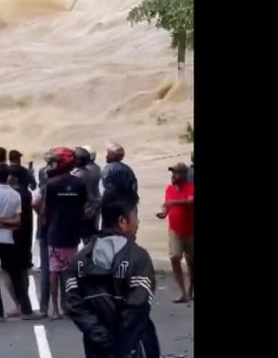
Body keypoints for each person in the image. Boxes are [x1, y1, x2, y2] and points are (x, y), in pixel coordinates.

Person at [66, 191, 160, 358]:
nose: (138, 223)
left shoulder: (80, 259)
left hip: (96, 349)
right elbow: (137, 308)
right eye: (135, 216)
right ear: (123, 221)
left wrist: (103, 339)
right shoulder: (138, 257)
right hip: (134, 348)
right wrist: (120, 347)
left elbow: (74, 304)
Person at [0, 163, 40, 322]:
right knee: (16, 276)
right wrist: (8, 223)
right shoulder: (15, 195)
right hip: (8, 239)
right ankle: (26, 309)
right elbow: (16, 221)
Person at [43, 146, 87, 320]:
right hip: (73, 233)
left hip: (55, 232)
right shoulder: (79, 183)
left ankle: (55, 309)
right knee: (70, 272)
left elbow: (46, 209)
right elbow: (84, 206)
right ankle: (69, 306)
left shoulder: (51, 184)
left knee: (54, 271)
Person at [157, 162, 194, 303]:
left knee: (191, 261)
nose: (173, 176)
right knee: (175, 257)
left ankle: (190, 289)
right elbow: (166, 205)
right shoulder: (169, 189)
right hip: (175, 230)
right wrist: (164, 213)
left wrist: (173, 203)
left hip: (190, 231)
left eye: (176, 173)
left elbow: (190, 202)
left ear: (184, 175)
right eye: (172, 173)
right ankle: (182, 292)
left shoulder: (190, 188)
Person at [1, 165, 34, 317]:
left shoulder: (15, 195)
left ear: (14, 178)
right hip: (25, 235)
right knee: (23, 269)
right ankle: (22, 304)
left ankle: (19, 304)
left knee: (9, 271)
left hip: (14, 235)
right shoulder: (26, 193)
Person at [32, 149, 56, 317]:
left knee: (47, 268)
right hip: (61, 229)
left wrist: (41, 215)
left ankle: (44, 307)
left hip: (45, 229)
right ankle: (64, 306)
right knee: (63, 269)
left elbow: (35, 204)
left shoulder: (44, 190)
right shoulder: (62, 184)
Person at [72, 147, 102, 244]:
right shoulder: (94, 169)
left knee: (86, 238)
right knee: (90, 236)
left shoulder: (78, 174)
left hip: (84, 209)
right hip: (92, 206)